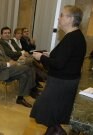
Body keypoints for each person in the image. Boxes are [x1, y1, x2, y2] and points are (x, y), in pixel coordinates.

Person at [30, 5, 86, 135]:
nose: (59, 19)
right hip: (64, 80)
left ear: (70, 19)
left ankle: (58, 131)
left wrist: (41, 57)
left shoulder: (72, 38)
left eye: (62, 15)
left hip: (61, 82)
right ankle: (56, 131)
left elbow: (59, 64)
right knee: (54, 112)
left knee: (46, 109)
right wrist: (51, 55)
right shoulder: (74, 36)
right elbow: (65, 58)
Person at [0, 27, 36, 108]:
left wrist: (13, 62)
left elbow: (5, 57)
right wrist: (7, 64)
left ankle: (20, 98)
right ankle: (32, 89)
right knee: (27, 68)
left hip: (8, 69)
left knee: (24, 75)